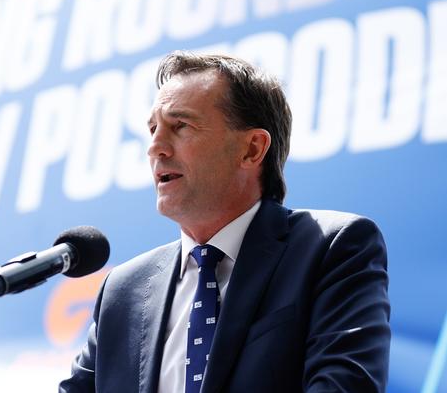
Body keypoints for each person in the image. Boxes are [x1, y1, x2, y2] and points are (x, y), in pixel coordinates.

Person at [59, 51, 390, 392]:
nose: (155, 147)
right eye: (153, 129)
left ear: (251, 149)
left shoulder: (332, 249)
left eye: (180, 126)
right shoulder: (122, 290)